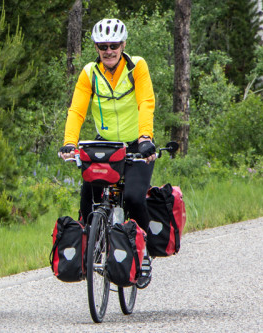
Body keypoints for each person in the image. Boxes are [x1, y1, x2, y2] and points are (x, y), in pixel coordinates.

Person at [58, 19, 156, 288]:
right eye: (103, 46)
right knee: (87, 198)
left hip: (137, 144)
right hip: (106, 145)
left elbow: (146, 102)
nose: (109, 51)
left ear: (123, 45)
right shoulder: (90, 72)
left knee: (135, 197)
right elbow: (77, 110)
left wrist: (146, 137)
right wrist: (69, 142)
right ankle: (87, 253)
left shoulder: (137, 67)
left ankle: (144, 254)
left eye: (114, 45)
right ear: (97, 48)